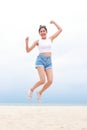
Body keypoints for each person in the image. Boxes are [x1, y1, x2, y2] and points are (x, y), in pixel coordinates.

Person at [25, 20, 62, 102]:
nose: (42, 32)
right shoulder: (38, 41)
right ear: (39, 33)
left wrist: (54, 22)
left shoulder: (50, 39)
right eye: (41, 31)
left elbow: (60, 30)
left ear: (46, 32)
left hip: (49, 61)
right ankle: (31, 89)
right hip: (40, 60)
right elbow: (28, 50)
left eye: (44, 31)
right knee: (42, 80)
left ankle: (40, 92)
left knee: (50, 81)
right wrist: (26, 42)